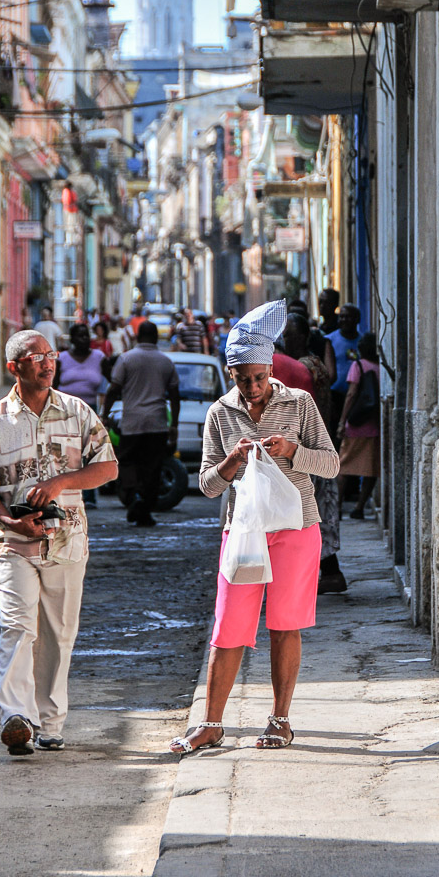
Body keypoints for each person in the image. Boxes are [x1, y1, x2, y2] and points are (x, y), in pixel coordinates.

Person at [170, 299, 338, 756]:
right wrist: (231, 461)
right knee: (229, 627)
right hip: (243, 533)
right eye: (244, 380)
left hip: (296, 527)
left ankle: (281, 720)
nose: (254, 388)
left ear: (271, 369)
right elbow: (206, 485)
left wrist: (292, 451)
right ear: (231, 375)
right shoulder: (221, 414)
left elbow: (331, 463)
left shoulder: (299, 403)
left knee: (285, 625)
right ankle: (211, 723)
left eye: (260, 378)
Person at [0, 330, 117, 755]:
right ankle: (16, 716)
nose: (47, 363)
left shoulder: (77, 412)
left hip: (67, 540)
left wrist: (62, 481)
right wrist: (10, 519)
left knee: (58, 633)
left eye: (51, 355)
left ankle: (50, 723)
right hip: (12, 543)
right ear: (14, 367)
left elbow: (107, 468)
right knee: (17, 625)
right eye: (36, 357)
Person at [282, 312, 346, 593]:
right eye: (285, 336)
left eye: (291, 335)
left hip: (310, 447)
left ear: (303, 337)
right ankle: (328, 571)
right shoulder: (314, 364)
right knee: (318, 511)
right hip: (318, 444)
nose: (286, 340)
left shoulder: (303, 368)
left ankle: (324, 572)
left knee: (311, 512)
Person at [102, 320, 180, 527]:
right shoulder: (165, 362)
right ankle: (145, 509)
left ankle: (133, 497)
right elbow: (174, 395)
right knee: (152, 467)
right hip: (157, 423)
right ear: (156, 338)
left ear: (137, 337)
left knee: (127, 461)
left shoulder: (126, 359)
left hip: (132, 422)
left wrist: (104, 414)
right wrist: (174, 426)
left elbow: (113, 389)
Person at [55, 325, 107, 507]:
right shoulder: (62, 359)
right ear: (72, 339)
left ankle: (90, 496)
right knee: (67, 453)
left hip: (90, 410)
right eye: (79, 336)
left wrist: (105, 412)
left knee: (90, 452)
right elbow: (52, 386)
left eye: (86, 335)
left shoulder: (99, 358)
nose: (84, 339)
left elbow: (111, 382)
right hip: (64, 412)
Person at [336, 332, 381, 520]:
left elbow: (351, 394)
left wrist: (342, 421)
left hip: (355, 424)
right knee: (370, 469)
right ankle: (359, 507)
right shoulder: (380, 368)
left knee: (343, 467)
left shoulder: (358, 365)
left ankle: (336, 507)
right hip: (373, 425)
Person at [324, 303, 362, 444]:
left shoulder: (362, 341)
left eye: (348, 317)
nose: (344, 320)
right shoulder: (330, 339)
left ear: (357, 320)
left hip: (356, 397)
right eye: (342, 317)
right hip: (336, 396)